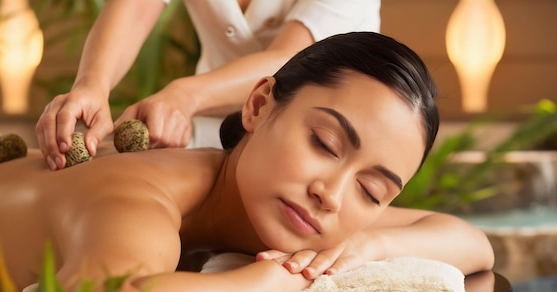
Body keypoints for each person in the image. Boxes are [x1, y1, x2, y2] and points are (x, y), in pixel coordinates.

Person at [0, 32, 494, 292]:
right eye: (325, 143)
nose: (333, 193)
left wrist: (367, 247)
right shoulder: (138, 199)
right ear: (258, 106)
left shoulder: (311, 203)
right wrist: (278, 276)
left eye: (373, 192)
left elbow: (470, 241)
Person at [35, 0, 381, 171]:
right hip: (213, 126)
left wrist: (185, 96)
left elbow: (293, 61)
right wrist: (91, 84)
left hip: (320, 142)